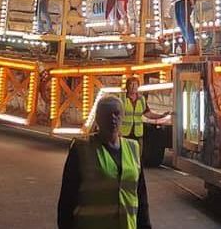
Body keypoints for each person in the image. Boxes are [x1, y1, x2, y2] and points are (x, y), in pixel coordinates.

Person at [57, 96, 151, 229]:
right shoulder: (81, 149)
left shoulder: (133, 148)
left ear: (122, 117)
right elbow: (67, 199)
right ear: (97, 119)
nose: (113, 118)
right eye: (107, 114)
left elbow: (141, 197)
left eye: (117, 114)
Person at [121, 78, 169, 144]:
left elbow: (148, 113)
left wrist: (161, 116)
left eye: (135, 84)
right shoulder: (122, 99)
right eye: (131, 84)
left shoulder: (141, 99)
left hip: (138, 134)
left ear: (138, 86)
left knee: (138, 153)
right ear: (127, 86)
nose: (133, 86)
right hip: (125, 134)